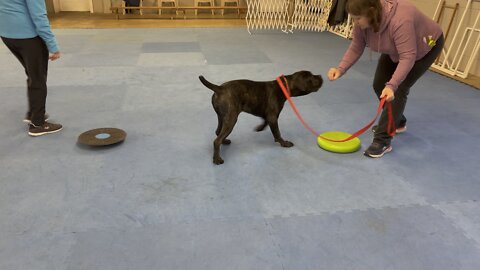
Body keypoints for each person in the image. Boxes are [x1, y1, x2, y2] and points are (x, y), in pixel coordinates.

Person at [328, 0, 444, 158]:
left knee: (398, 89)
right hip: (396, 47)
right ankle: (398, 121)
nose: (355, 22)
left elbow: (407, 57)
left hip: (425, 45)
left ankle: (382, 140)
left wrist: (392, 85)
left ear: (371, 11)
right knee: (379, 85)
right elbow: (356, 45)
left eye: (357, 19)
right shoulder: (365, 19)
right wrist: (340, 69)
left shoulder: (400, 20)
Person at [0, 0, 63, 137]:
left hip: (7, 35)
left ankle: (33, 113)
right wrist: (53, 46)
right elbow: (39, 16)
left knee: (33, 74)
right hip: (28, 37)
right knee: (38, 78)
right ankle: (37, 124)